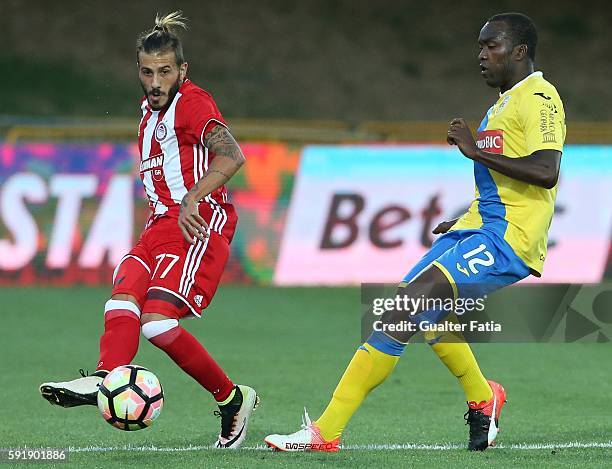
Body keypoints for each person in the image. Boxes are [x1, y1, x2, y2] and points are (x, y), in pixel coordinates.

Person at [265, 12, 565, 452]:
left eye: (491, 46)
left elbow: (545, 171)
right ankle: (484, 397)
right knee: (419, 310)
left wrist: (474, 150)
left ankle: (325, 432)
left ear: (520, 51)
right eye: (480, 46)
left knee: (402, 307)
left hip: (509, 241)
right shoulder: (501, 105)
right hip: (481, 229)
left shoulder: (540, 98)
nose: (481, 55)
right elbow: (502, 190)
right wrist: (463, 221)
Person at [39, 11, 259, 449]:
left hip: (197, 223)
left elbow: (232, 155)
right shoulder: (146, 114)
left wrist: (194, 197)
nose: (155, 82)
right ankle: (105, 377)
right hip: (158, 227)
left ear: (182, 71)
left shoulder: (192, 102)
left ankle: (234, 399)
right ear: (137, 70)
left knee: (156, 323)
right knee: (121, 298)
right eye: (147, 72)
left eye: (165, 72)